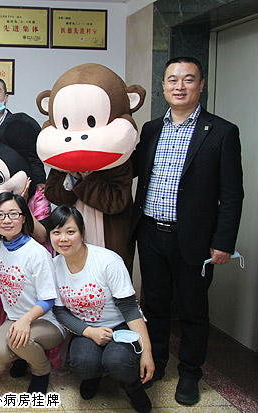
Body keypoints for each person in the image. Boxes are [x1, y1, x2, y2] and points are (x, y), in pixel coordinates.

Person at [130, 56, 243, 405]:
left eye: (188, 79)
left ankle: (191, 373)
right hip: (150, 232)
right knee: (155, 304)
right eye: (173, 80)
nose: (180, 86)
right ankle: (157, 363)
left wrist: (223, 242)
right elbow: (131, 169)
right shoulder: (151, 129)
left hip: (193, 238)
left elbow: (232, 193)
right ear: (163, 86)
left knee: (193, 309)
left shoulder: (221, 131)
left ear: (201, 85)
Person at [49, 206, 154, 413]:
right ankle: (93, 377)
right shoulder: (53, 266)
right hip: (86, 328)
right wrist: (89, 331)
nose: (63, 239)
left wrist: (147, 352)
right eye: (56, 232)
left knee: (118, 362)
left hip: (120, 326)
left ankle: (132, 386)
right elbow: (60, 311)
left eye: (70, 231)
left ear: (82, 233)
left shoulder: (107, 261)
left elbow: (130, 308)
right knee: (83, 363)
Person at [0, 192, 64, 394]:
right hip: (13, 319)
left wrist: (25, 321)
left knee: (19, 340)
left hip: (46, 320)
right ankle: (24, 357)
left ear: (24, 218)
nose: (6, 220)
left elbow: (48, 299)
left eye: (13, 214)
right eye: (0, 215)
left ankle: (41, 371)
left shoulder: (37, 253)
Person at [0, 77, 46, 245]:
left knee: (18, 233)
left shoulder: (18, 124)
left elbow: (34, 156)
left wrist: (40, 182)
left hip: (16, 193)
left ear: (6, 98)